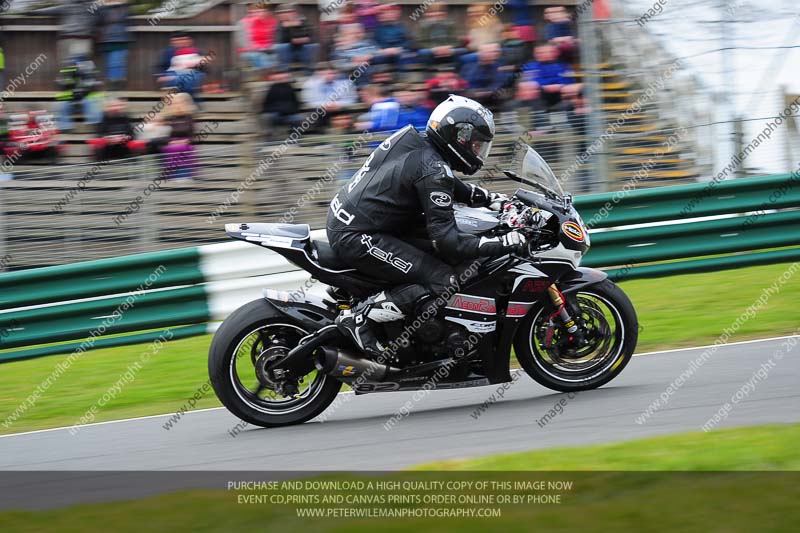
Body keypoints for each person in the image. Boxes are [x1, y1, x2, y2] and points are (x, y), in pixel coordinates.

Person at [326, 95, 525, 356]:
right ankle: (361, 319)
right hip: (359, 236)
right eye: (476, 145)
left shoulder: (413, 141)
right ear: (459, 137)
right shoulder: (433, 170)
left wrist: (490, 199)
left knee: (432, 258)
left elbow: (443, 182)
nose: (478, 153)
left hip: (356, 221)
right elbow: (449, 241)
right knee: (444, 279)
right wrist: (503, 243)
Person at [95, 0, 132, 91]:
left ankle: (115, 89)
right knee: (110, 66)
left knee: (116, 65)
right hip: (106, 40)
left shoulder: (124, 8)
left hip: (120, 40)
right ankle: (113, 90)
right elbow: (97, 20)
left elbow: (125, 18)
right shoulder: (101, 8)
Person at [162, 92, 197, 180]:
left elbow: (192, 135)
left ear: (185, 104)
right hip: (172, 148)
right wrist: (171, 141)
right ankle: (172, 176)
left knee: (183, 150)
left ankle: (185, 177)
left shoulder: (189, 118)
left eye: (180, 102)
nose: (177, 105)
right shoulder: (169, 118)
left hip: (185, 147)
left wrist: (185, 141)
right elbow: (165, 135)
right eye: (175, 103)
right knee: (169, 150)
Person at [274, 5, 319, 73]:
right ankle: (284, 73)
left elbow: (310, 38)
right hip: (289, 53)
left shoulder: (305, 22)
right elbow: (280, 40)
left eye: (288, 12)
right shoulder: (280, 26)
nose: (284, 15)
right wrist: (287, 28)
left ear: (294, 13)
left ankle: (309, 72)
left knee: (311, 46)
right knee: (281, 46)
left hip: (303, 51)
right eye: (282, 13)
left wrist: (296, 39)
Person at [237, 2, 279, 72]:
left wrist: (269, 47)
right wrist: (259, 48)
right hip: (250, 51)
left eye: (260, 11)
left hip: (268, 49)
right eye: (254, 11)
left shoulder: (272, 22)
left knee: (277, 54)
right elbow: (243, 43)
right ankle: (267, 74)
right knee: (260, 57)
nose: (257, 13)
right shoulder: (243, 23)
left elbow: (275, 38)